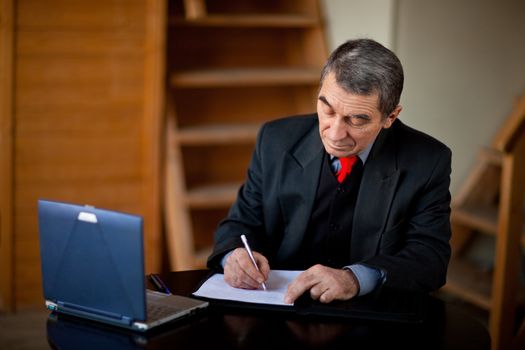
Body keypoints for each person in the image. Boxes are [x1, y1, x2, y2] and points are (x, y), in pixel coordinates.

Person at [207, 38, 451, 304]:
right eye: (328, 109)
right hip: (278, 305)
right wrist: (233, 256)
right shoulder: (275, 140)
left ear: (390, 117)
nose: (335, 134)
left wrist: (355, 279)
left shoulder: (428, 161)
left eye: (356, 120)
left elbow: (430, 258)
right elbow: (241, 223)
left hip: (372, 313)